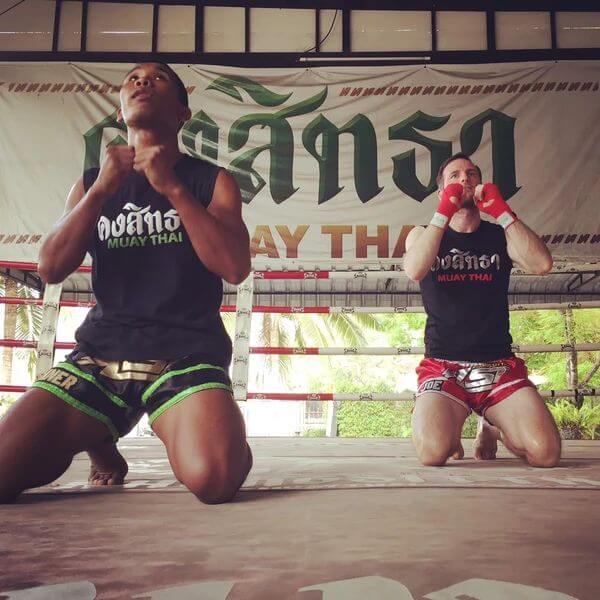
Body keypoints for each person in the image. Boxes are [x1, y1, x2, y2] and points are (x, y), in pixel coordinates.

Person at [0, 62, 253, 503]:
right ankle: (99, 436)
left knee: (215, 479)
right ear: (120, 112)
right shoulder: (91, 184)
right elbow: (51, 268)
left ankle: (191, 426)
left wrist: (172, 188)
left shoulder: (209, 180)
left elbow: (234, 267)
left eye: (157, 79)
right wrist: (101, 190)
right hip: (100, 354)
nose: (141, 82)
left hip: (186, 352)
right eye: (133, 79)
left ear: (182, 113)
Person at [404, 153, 561, 468]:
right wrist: (443, 213)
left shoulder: (499, 235)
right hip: (444, 367)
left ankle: (492, 423)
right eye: (455, 176)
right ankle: (452, 423)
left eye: (472, 174)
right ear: (441, 191)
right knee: (433, 453)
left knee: (545, 453)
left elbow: (541, 264)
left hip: (497, 366)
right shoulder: (421, 234)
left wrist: (502, 212)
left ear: (480, 185)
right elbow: (414, 269)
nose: (464, 179)